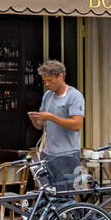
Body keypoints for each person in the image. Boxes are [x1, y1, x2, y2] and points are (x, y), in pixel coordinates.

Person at [27, 59, 84, 191]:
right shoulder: (48, 95)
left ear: (61, 76)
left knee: (65, 196)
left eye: (50, 81)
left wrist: (51, 117)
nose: (47, 84)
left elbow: (77, 124)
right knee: (47, 194)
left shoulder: (74, 96)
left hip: (67, 155)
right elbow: (41, 126)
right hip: (47, 154)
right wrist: (36, 119)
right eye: (45, 81)